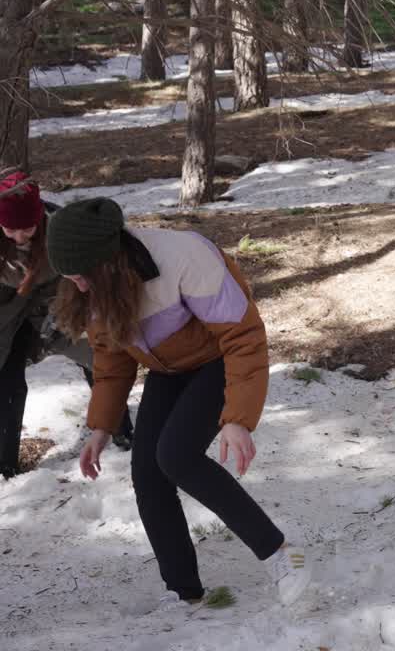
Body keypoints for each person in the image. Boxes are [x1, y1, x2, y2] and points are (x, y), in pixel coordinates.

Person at [47, 198, 310, 608]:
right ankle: (185, 592)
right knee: (148, 471)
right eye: (70, 278)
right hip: (169, 371)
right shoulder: (93, 286)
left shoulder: (183, 257)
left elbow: (243, 336)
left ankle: (280, 553)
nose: (78, 285)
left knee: (177, 456)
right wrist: (101, 426)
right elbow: (113, 360)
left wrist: (237, 418)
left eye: (82, 275)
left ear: (108, 259)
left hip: (219, 359)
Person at [0, 173, 132, 479]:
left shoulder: (61, 230)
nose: (19, 238)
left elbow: (88, 273)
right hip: (5, 311)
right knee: (7, 381)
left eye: (27, 229)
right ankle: (5, 465)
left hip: (57, 301)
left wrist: (63, 317)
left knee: (98, 353)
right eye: (9, 230)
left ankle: (121, 428)